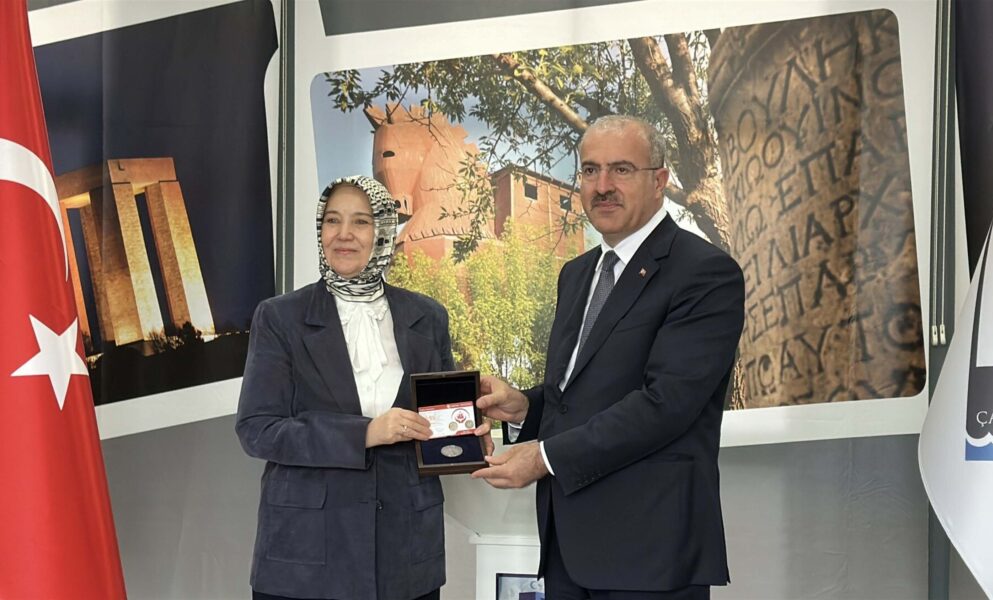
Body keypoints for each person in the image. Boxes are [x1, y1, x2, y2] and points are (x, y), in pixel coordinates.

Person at [472, 115, 746, 599]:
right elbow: (582, 394)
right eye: (590, 170)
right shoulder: (577, 274)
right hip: (567, 548)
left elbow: (666, 404)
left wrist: (544, 457)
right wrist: (525, 407)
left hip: (650, 553)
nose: (602, 186)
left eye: (621, 169)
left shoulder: (705, 272)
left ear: (659, 180)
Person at [236, 175, 453, 600]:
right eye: (332, 220)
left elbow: (439, 421)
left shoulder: (428, 317)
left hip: (405, 555)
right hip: (305, 558)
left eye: (361, 221)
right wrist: (365, 433)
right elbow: (257, 429)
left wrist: (464, 437)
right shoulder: (279, 317)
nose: (344, 234)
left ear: (384, 231)